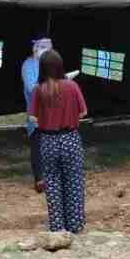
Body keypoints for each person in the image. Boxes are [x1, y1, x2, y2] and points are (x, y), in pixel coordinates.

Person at [29, 50, 88, 233]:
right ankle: (75, 224)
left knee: (52, 183)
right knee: (74, 181)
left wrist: (46, 121)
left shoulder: (39, 90)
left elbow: (33, 118)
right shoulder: (72, 87)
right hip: (70, 138)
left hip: (48, 141)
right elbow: (83, 113)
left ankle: (57, 225)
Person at [22, 34, 52, 193]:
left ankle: (52, 177)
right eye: (44, 47)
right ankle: (39, 179)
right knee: (37, 144)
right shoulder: (28, 65)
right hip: (36, 112)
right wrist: (48, 86)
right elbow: (30, 88)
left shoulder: (51, 64)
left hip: (53, 112)